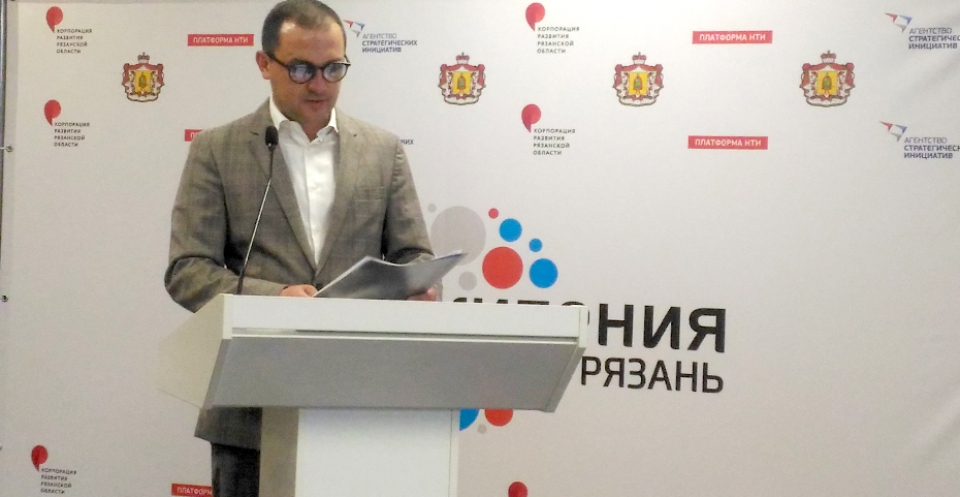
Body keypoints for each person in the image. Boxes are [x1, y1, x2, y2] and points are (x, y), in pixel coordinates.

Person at [164, 1, 437, 495]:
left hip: (361, 406)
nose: (319, 84)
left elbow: (413, 254)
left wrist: (419, 285)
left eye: (334, 68)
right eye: (301, 69)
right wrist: (275, 298)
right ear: (264, 64)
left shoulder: (383, 150)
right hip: (250, 410)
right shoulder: (217, 149)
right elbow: (188, 270)